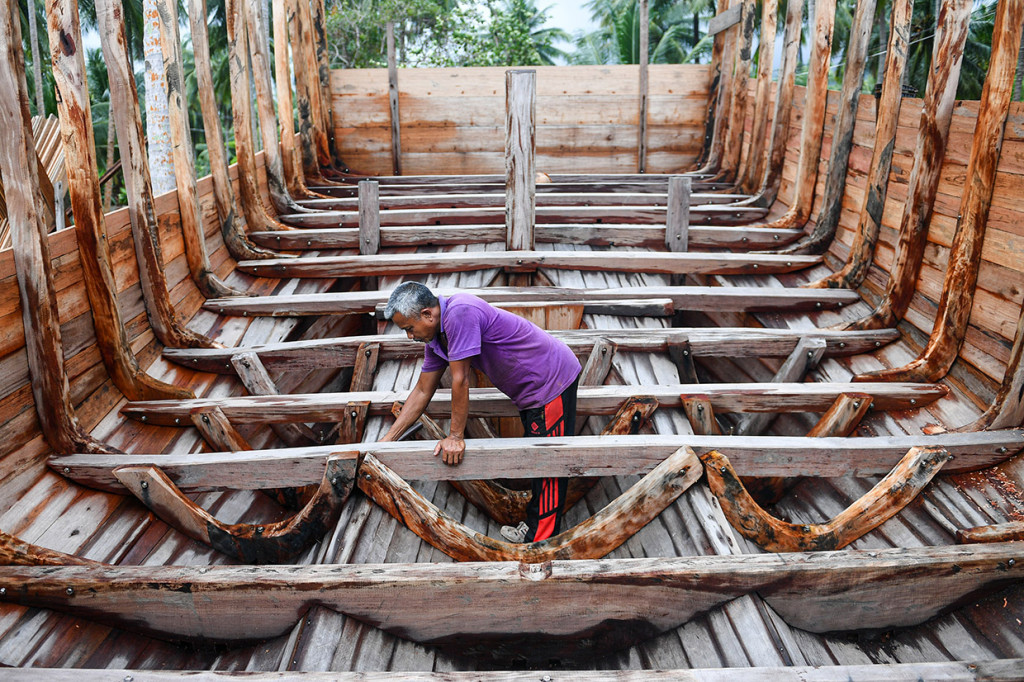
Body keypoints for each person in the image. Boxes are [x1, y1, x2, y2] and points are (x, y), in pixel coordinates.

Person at [380, 282, 582, 543]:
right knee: (539, 458)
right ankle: (535, 528)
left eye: (409, 328)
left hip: (551, 380)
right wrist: (388, 440)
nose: (410, 336)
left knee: (547, 461)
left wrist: (455, 436)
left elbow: (460, 380)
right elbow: (422, 390)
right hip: (530, 392)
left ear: (428, 314)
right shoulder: (437, 338)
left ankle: (541, 543)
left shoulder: (460, 312)